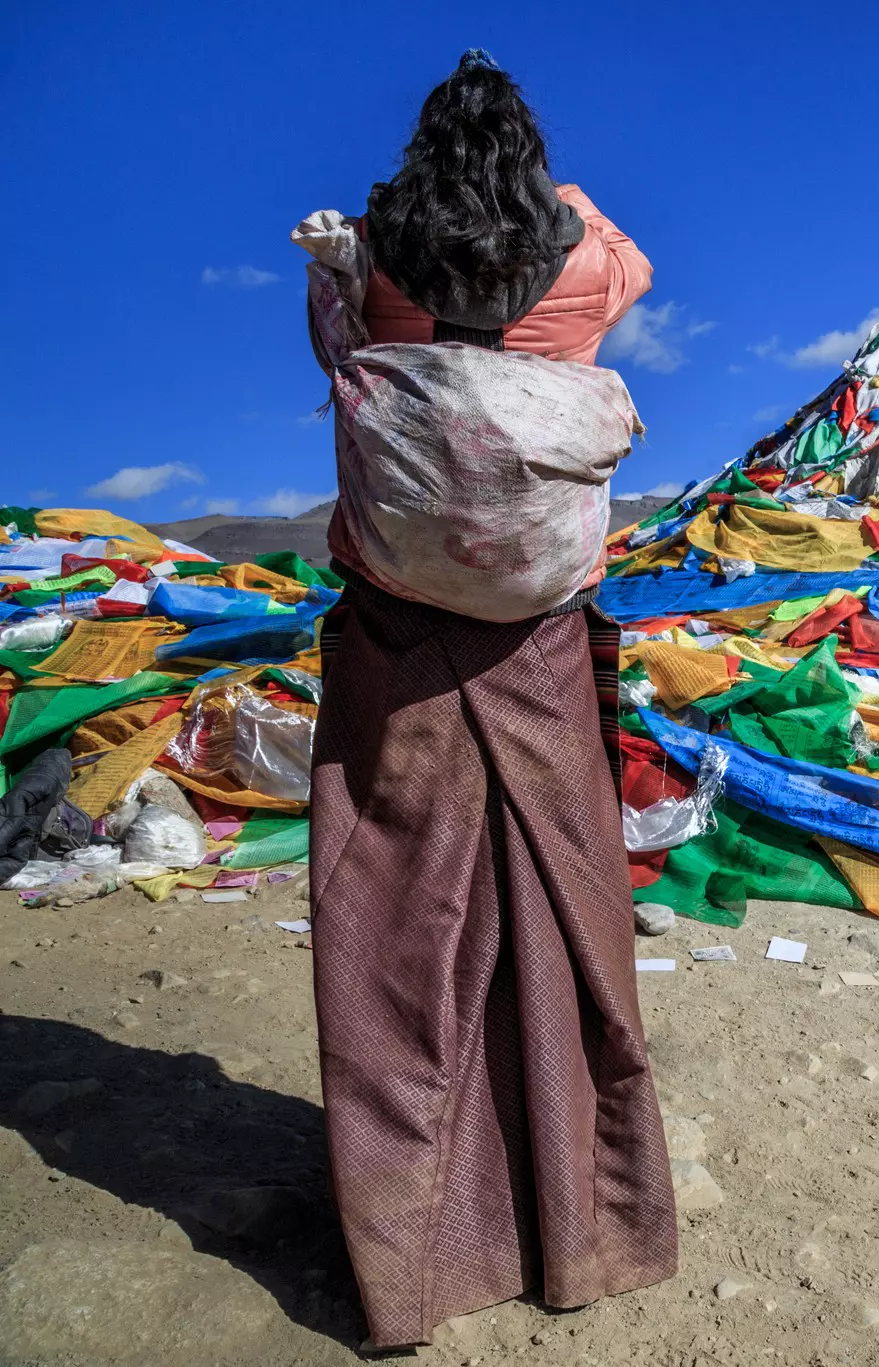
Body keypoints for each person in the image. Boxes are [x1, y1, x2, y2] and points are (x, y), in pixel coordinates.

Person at [302, 51, 676, 1350]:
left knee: (396, 938)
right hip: (539, 648)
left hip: (394, 640)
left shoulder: (385, 249)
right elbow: (625, 274)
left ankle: (407, 1260)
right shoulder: (573, 253)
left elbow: (332, 338)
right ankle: (579, 1225)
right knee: (559, 919)